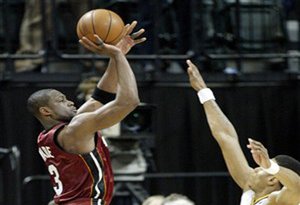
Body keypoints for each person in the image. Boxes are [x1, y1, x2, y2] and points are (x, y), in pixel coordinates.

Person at [27, 21, 146, 205]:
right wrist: (116, 54)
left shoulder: (49, 135)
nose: (70, 102)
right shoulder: (75, 129)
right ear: (46, 111)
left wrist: (119, 54)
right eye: (61, 101)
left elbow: (100, 96)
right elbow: (129, 101)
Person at [186, 59, 300, 205]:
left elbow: (298, 186)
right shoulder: (250, 189)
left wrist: (271, 166)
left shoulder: (279, 200)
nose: (255, 168)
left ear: (272, 179)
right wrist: (203, 91)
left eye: (261, 168)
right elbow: (226, 138)